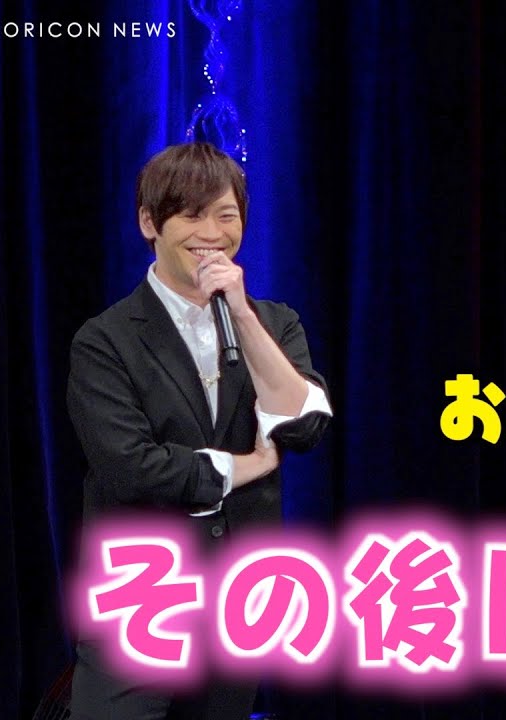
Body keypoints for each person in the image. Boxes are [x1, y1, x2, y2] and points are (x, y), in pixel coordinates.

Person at [66, 141, 332, 719]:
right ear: (149, 222)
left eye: (226, 215)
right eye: (190, 215)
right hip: (140, 595)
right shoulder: (106, 340)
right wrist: (245, 465)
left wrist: (241, 313)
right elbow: (130, 467)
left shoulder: (274, 323)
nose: (211, 233)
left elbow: (305, 426)